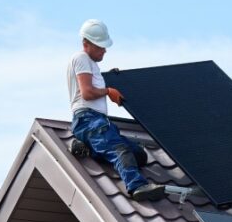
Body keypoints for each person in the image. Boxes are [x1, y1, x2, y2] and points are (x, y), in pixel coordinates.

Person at [67, 19, 164, 201]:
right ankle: (137, 186)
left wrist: (111, 79)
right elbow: (87, 93)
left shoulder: (91, 64)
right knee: (120, 150)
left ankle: (88, 147)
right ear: (86, 43)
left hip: (97, 122)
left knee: (139, 155)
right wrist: (108, 91)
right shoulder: (81, 58)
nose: (104, 50)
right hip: (89, 120)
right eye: (100, 47)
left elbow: (92, 85)